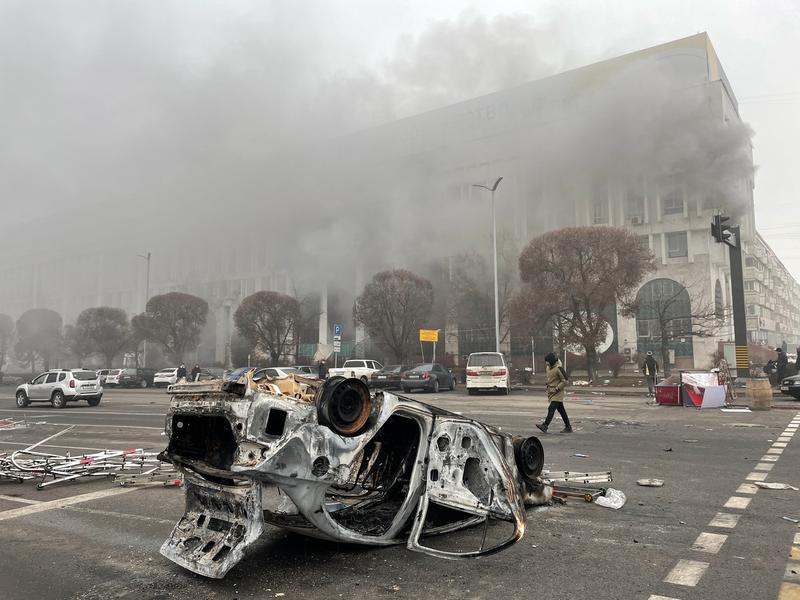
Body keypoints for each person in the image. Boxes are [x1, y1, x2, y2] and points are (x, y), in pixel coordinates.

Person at [536, 352, 572, 434]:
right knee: (561, 410)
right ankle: (568, 427)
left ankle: (545, 425)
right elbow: (551, 378)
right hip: (551, 392)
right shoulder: (548, 368)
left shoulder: (559, 368)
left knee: (551, 408)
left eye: (547, 361)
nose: (546, 363)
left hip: (558, 392)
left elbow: (565, 381)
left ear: (551, 361)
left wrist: (557, 387)